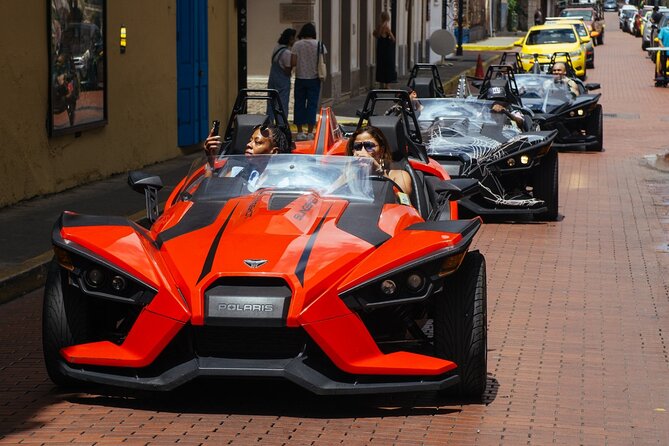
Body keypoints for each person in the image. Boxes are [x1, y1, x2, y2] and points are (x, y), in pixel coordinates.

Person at [202, 124, 291, 178]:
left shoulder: (282, 183)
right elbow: (210, 193)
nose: (249, 145)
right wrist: (211, 160)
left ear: (274, 152)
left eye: (257, 142)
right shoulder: (237, 172)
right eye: (250, 140)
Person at [345, 126, 412, 196]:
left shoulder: (399, 175)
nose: (362, 152)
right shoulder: (349, 174)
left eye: (369, 146)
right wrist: (350, 169)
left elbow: (403, 200)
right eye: (357, 147)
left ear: (381, 150)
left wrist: (378, 171)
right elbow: (333, 194)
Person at [291, 23, 327, 141]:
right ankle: (311, 132)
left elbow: (293, 62)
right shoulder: (319, 44)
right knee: (312, 105)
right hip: (314, 79)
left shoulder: (297, 45)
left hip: (300, 78)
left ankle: (300, 131)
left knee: (299, 104)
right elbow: (322, 61)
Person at [266, 28, 296, 120]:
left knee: (271, 103)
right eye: (293, 38)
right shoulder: (287, 53)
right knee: (282, 104)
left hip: (272, 78)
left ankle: (269, 124)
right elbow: (287, 70)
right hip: (282, 81)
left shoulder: (277, 48)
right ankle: (281, 125)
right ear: (290, 38)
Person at [373, 11, 397, 89]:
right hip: (386, 50)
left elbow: (375, 34)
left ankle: (381, 83)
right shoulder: (386, 27)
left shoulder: (378, 26)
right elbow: (393, 38)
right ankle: (387, 85)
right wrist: (389, 40)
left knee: (380, 65)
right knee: (388, 66)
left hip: (380, 49)